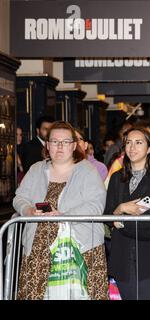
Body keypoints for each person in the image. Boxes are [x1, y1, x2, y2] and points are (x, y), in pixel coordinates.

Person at [12, 121, 108, 300]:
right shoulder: (36, 169)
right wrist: (28, 210)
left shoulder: (88, 171)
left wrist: (64, 215)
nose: (59, 146)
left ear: (74, 145)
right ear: (47, 145)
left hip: (80, 248)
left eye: (65, 142)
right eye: (55, 142)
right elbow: (19, 198)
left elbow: (96, 205)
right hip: (39, 250)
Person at [104, 126, 150, 300]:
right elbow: (108, 213)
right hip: (122, 255)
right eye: (128, 143)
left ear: (149, 149)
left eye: (138, 143)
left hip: (149, 254)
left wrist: (120, 221)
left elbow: (149, 221)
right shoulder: (116, 177)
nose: (132, 147)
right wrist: (120, 209)